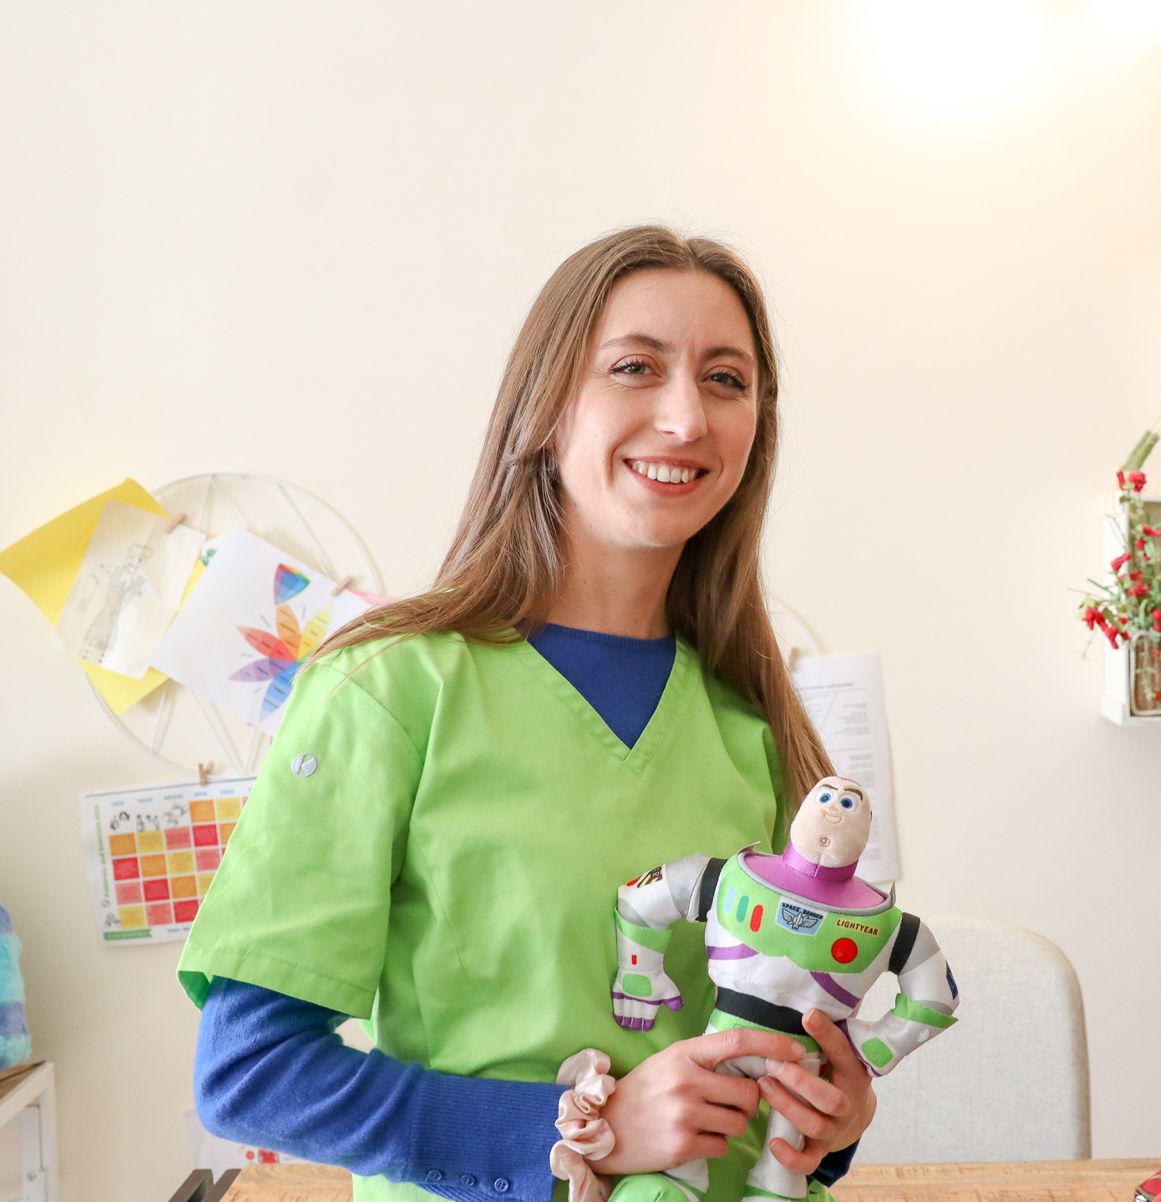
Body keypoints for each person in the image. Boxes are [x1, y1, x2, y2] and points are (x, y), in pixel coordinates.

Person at [176, 226, 877, 1202]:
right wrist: (576, 1129)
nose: (686, 417)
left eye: (726, 380)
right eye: (635, 367)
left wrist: (827, 1122)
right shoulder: (386, 690)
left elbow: (759, 1075)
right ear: (544, 406)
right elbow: (252, 1073)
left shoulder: (752, 721)